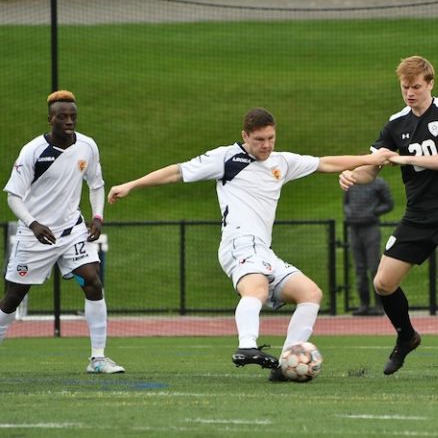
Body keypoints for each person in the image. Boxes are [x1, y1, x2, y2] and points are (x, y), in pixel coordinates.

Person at [108, 107, 394, 382]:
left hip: (263, 250)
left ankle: (285, 362)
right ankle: (246, 345)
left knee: (311, 293)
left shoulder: (281, 162)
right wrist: (132, 184)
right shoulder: (225, 158)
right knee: (255, 289)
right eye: (259, 140)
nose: (266, 145)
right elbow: (176, 172)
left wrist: (370, 159)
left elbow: (327, 163)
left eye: (270, 138)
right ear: (245, 136)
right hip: (238, 243)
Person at [339, 55, 438, 380]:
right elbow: (373, 167)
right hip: (418, 215)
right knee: (383, 283)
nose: (410, 93)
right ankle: (407, 336)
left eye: (416, 86)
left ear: (430, 83)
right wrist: (351, 174)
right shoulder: (396, 123)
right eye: (405, 87)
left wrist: (404, 158)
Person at [0, 90, 124, 374]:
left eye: (73, 116)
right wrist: (34, 223)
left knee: (92, 281)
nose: (69, 121)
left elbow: (96, 184)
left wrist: (97, 217)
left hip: (72, 232)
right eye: (62, 116)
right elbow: (13, 197)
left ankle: (98, 358)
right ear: (50, 119)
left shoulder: (87, 146)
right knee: (13, 298)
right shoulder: (32, 152)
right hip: (35, 235)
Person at [343, 176, 394, 316]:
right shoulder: (352, 181)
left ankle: (379, 305)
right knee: (359, 269)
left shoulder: (379, 182)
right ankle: (363, 304)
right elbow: (346, 203)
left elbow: (389, 204)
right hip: (354, 229)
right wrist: (349, 213)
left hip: (370, 228)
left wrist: (372, 212)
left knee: (374, 267)